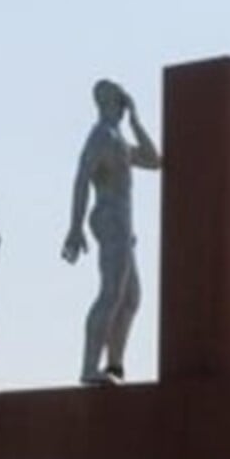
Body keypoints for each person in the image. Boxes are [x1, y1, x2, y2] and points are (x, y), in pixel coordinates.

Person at [62, 79, 160, 385]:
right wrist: (74, 228)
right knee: (111, 292)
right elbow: (81, 179)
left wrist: (137, 121)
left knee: (130, 297)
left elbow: (154, 160)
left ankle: (114, 365)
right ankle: (89, 368)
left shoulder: (117, 138)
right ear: (113, 101)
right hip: (110, 217)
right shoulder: (101, 137)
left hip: (123, 222)